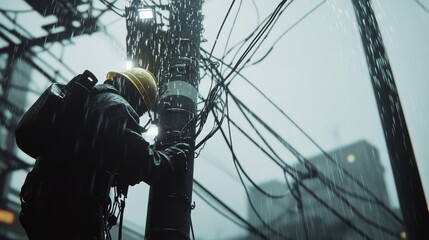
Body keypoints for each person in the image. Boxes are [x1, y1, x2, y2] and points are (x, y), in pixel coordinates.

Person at [18, 68, 191, 240]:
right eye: (142, 110)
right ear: (138, 100)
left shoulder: (89, 99)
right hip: (71, 213)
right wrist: (170, 159)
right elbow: (144, 164)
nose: (139, 114)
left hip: (39, 205)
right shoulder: (117, 107)